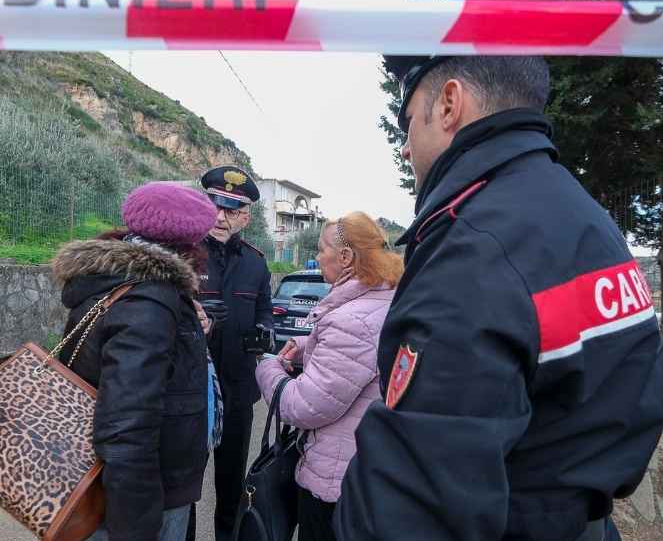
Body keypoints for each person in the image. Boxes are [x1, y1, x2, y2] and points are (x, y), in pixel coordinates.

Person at [334, 0, 663, 540]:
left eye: (409, 121)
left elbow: (412, 513)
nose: (406, 148)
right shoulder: (583, 216)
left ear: (449, 103)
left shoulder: (474, 248)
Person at [51, 182, 217, 541]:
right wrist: (135, 527)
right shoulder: (150, 301)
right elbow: (126, 424)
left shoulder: (124, 284)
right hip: (139, 498)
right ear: (188, 242)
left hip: (116, 485)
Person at [255, 212, 403, 541]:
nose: (317, 257)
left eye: (322, 249)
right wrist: (311, 346)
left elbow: (304, 406)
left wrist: (267, 368)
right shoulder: (386, 298)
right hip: (368, 474)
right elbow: (363, 353)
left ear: (346, 256)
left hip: (335, 484)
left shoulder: (350, 319)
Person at [197, 165, 274, 541]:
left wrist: (265, 333)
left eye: (232, 210)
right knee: (185, 485)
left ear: (246, 216)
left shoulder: (257, 263)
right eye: (214, 204)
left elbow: (264, 311)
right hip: (192, 389)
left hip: (240, 390)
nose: (221, 216)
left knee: (231, 484)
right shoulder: (184, 254)